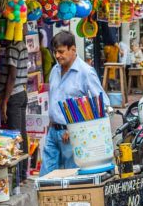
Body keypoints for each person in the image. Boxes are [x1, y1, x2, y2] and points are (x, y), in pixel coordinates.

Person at [41, 31, 110, 176]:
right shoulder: (55, 70)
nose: (57, 56)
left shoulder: (86, 72)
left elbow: (102, 104)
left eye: (61, 52)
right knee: (46, 178)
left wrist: (75, 129)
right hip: (53, 132)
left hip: (73, 136)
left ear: (73, 49)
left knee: (71, 178)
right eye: (55, 52)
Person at [0, 36, 29, 182]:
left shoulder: (12, 48)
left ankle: (17, 177)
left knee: (15, 136)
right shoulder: (21, 44)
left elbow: (12, 76)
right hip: (22, 93)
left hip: (14, 94)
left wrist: (4, 101)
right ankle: (22, 174)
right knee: (21, 134)